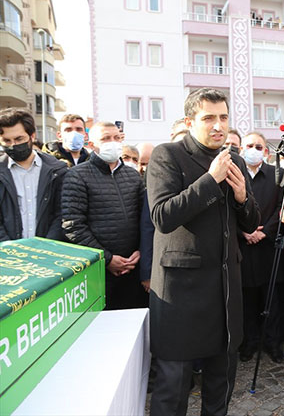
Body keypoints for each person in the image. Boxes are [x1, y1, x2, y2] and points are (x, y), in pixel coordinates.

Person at [146, 88, 259, 416]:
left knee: (220, 383)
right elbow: (163, 216)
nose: (218, 125)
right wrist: (211, 181)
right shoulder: (167, 155)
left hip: (224, 289)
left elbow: (250, 221)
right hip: (181, 293)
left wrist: (241, 197)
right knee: (173, 387)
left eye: (223, 117)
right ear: (190, 121)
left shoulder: (234, 159)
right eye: (209, 118)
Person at [61, 121, 147, 310]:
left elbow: (146, 219)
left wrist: (141, 251)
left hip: (134, 267)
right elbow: (73, 225)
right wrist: (107, 259)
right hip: (99, 274)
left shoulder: (133, 176)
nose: (113, 142)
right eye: (106, 138)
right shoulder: (77, 176)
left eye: (116, 137)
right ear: (91, 144)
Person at [237, 132, 284, 363]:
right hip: (242, 247)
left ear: (266, 151)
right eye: (249, 145)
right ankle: (249, 342)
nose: (253, 149)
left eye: (258, 146)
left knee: (271, 299)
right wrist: (243, 232)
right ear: (241, 148)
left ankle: (273, 343)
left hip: (268, 246)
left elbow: (282, 207)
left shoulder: (278, 175)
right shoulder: (233, 174)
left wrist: (264, 232)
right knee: (246, 300)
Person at [0, 108, 68, 241]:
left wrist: (47, 244)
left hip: (49, 251)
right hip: (7, 255)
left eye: (19, 139)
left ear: (32, 136)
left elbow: (62, 214)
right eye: (7, 141)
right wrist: (9, 248)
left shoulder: (57, 171)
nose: (13, 145)